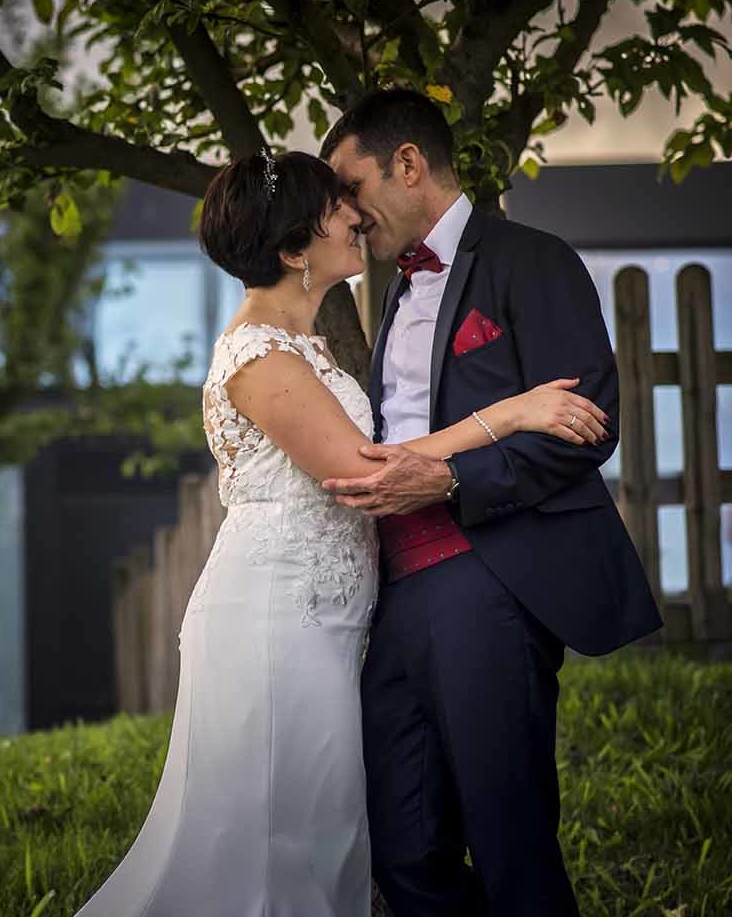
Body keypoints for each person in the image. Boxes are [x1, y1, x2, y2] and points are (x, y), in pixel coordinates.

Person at [70, 150, 609, 917]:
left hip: (323, 623)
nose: (354, 215)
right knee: (263, 841)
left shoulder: (311, 344)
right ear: (295, 250)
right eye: (335, 207)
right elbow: (361, 469)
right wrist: (512, 413)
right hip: (271, 619)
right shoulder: (256, 355)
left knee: (318, 829)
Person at [320, 88, 662, 916]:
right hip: (395, 596)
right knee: (401, 847)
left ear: (407, 165)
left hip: (492, 578)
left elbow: (585, 426)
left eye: (352, 188)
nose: (349, 216)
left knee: (509, 839)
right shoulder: (392, 290)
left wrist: (449, 480)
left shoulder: (532, 259)